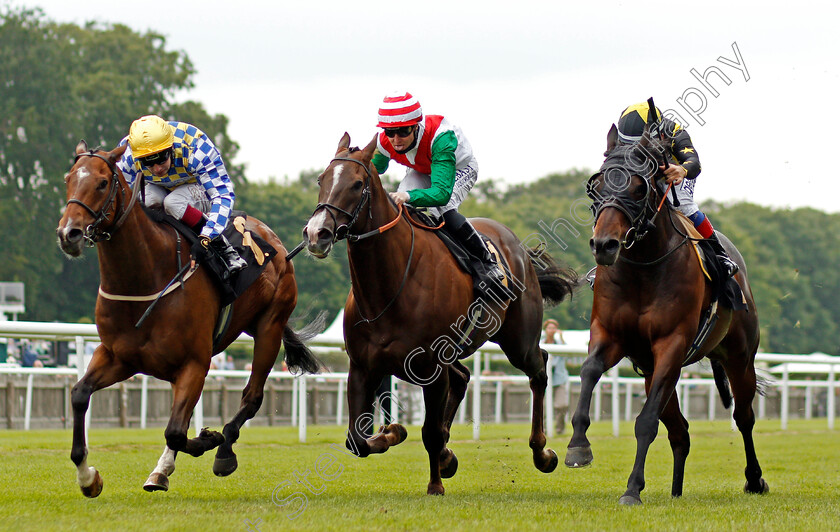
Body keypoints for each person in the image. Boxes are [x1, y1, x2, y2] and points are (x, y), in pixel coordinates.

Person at [371, 91, 510, 298]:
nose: (396, 140)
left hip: (459, 169)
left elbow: (441, 193)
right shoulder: (385, 141)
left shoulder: (441, 137)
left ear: (415, 126)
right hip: (423, 169)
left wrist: (408, 196)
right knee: (400, 205)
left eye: (402, 131)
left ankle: (486, 262)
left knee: (441, 208)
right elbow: (373, 170)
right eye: (390, 132)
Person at [615, 102, 739, 277]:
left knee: (681, 205)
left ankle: (720, 254)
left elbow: (694, 163)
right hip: (640, 174)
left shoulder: (675, 132)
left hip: (673, 174)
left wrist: (682, 170)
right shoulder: (624, 131)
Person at [116, 115, 247, 280]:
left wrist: (207, 236)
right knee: (147, 202)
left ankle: (225, 249)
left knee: (173, 202)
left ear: (171, 148)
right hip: (159, 187)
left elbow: (223, 194)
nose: (157, 169)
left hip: (199, 187)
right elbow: (120, 199)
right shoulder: (128, 155)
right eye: (148, 163)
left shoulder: (196, 147)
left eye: (161, 159)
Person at [544, 319, 569, 435]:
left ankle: (560, 429)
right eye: (549, 328)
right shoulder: (540, 343)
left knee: (561, 405)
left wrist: (562, 337)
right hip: (544, 380)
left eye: (554, 328)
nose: (552, 330)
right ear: (545, 330)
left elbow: (566, 353)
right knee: (543, 408)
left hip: (559, 379)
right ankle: (542, 430)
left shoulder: (561, 344)